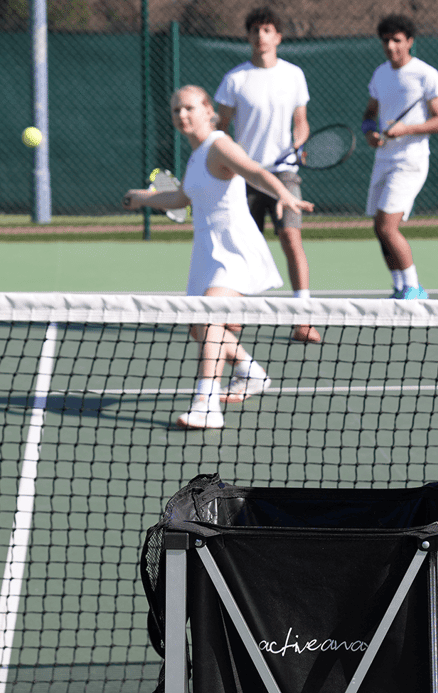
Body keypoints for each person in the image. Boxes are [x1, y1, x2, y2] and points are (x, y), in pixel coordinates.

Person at [124, 86, 313, 430]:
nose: (182, 115)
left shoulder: (219, 145)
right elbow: (181, 198)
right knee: (199, 329)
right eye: (176, 110)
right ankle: (250, 372)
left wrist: (284, 193)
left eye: (190, 107)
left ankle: (206, 404)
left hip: (235, 250)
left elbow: (255, 172)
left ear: (209, 110)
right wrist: (144, 199)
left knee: (210, 319)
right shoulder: (196, 156)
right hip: (207, 253)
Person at [214, 7, 321, 344]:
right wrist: (231, 162)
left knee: (291, 238)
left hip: (285, 174)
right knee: (244, 245)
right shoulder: (235, 79)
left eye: (267, 30)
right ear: (248, 37)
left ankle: (303, 319)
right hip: (245, 176)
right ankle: (235, 314)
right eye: (255, 30)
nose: (261, 36)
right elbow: (221, 128)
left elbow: (301, 121)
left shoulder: (294, 75)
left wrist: (299, 142)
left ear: (278, 36)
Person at [360, 14, 438, 299]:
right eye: (386, 40)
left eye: (397, 40)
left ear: (409, 42)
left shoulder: (426, 75)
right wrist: (370, 133)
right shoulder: (380, 74)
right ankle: (400, 286)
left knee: (388, 226)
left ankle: (415, 287)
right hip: (383, 159)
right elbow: (368, 115)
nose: (391, 46)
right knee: (379, 228)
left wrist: (406, 129)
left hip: (410, 160)